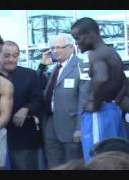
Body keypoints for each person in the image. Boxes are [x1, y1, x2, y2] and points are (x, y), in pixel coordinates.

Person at [71, 17, 128, 162]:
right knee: (115, 158)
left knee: (97, 159)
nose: (77, 43)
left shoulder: (96, 54)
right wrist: (117, 101)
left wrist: (94, 104)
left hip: (100, 113)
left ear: (90, 34)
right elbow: (123, 80)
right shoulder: (111, 51)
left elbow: (101, 78)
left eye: (77, 38)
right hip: (112, 111)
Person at [41, 33, 90, 169]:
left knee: (73, 165)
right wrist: (42, 66)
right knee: (54, 164)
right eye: (52, 48)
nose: (54, 51)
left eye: (58, 47)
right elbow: (40, 88)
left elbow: (83, 99)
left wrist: (79, 128)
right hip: (51, 124)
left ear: (70, 48)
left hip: (71, 126)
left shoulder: (81, 66)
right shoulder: (55, 68)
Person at [0, 41, 43, 170]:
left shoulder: (30, 75)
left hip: (23, 137)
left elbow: (39, 100)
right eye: (7, 55)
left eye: (15, 56)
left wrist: (27, 109)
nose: (11, 59)